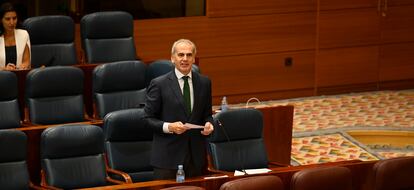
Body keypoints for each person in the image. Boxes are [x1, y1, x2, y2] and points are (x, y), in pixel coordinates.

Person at [144, 39, 214, 179]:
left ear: (194, 58)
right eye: (180, 55)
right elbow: (146, 119)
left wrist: (209, 124)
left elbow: (207, 114)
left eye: (189, 55)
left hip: (196, 158)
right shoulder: (159, 84)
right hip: (168, 158)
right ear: (172, 58)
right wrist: (169, 126)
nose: (185, 59)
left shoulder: (204, 82)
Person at [0, 2, 30, 70]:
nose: (12, 22)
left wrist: (22, 66)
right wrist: (4, 69)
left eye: (14, 18)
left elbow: (26, 62)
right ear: (1, 20)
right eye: (8, 19)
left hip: (19, 76)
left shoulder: (24, 35)